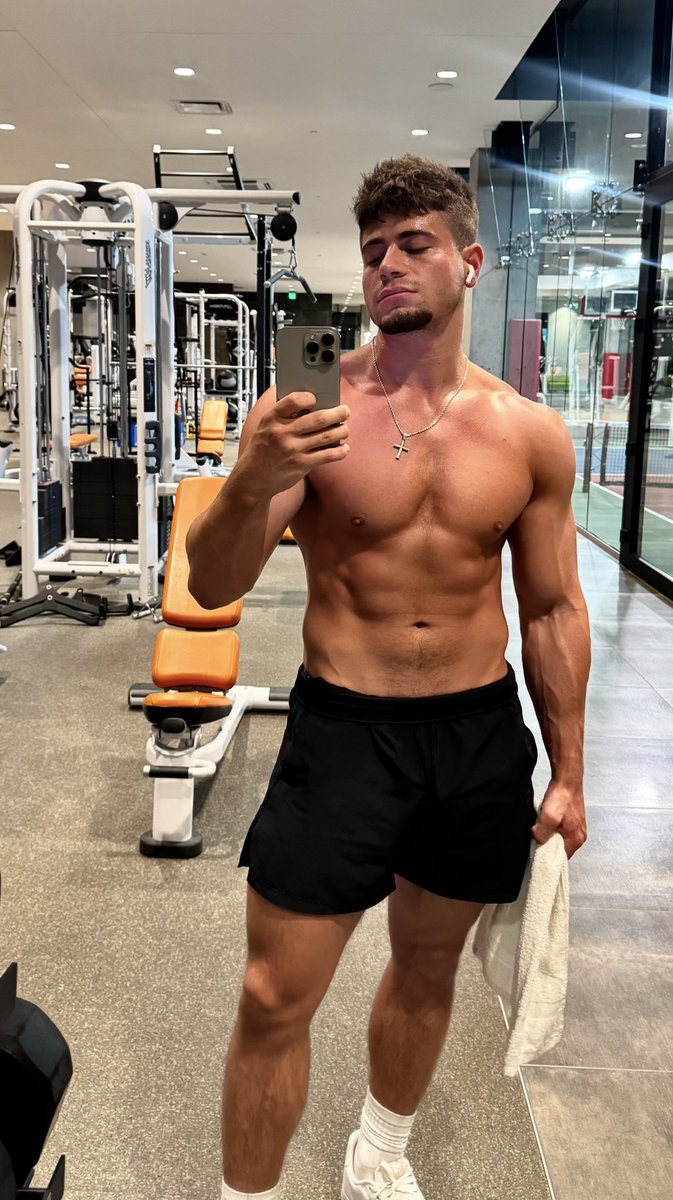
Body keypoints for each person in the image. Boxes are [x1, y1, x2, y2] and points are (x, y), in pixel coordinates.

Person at [186, 154, 591, 1200]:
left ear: (470, 261)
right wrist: (252, 480)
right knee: (272, 995)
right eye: (374, 251)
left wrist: (569, 770)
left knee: (426, 968)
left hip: (474, 738)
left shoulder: (528, 432)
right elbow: (213, 583)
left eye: (414, 244)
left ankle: (378, 1152)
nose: (388, 266)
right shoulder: (309, 412)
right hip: (342, 736)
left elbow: (551, 609)